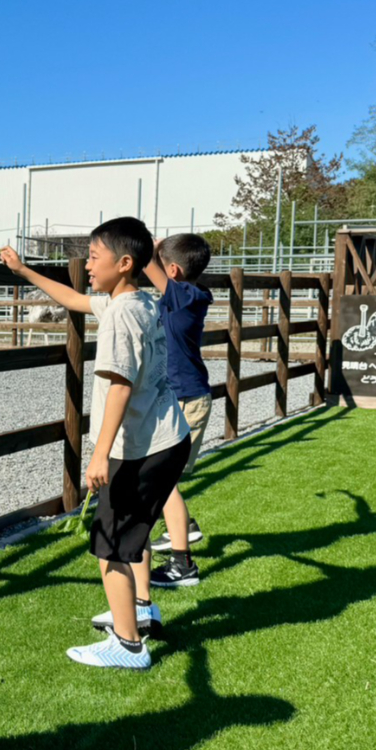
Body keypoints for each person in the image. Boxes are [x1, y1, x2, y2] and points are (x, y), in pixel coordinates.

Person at [0, 218, 189, 669]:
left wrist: (99, 454)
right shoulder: (138, 300)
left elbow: (120, 387)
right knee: (133, 533)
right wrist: (24, 272)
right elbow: (77, 300)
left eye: (95, 256)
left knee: (108, 542)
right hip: (168, 438)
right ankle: (139, 612)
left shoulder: (122, 316)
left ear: (124, 263)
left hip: (140, 446)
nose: (87, 263)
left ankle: (127, 646)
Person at [144, 234, 214, 589]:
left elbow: (147, 267)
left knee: (162, 478)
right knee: (162, 475)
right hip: (178, 397)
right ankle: (183, 527)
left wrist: (143, 247)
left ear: (172, 270)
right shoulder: (181, 296)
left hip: (189, 399)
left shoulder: (187, 298)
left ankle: (182, 565)